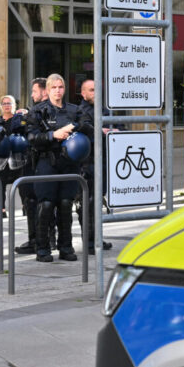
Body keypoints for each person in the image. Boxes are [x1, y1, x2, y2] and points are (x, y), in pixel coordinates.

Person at [26, 73, 93, 262]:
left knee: (65, 204)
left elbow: (88, 128)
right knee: (46, 205)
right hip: (47, 162)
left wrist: (73, 128)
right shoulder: (38, 111)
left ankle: (66, 247)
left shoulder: (74, 110)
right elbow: (31, 138)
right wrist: (53, 135)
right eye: (53, 87)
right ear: (47, 90)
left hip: (69, 164)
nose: (57, 91)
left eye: (60, 87)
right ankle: (43, 248)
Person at [77, 79, 118, 254]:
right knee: (87, 203)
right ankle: (88, 242)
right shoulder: (80, 112)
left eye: (97, 89)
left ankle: (97, 238)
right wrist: (100, 133)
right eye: (91, 90)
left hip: (103, 162)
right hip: (88, 163)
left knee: (98, 201)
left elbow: (118, 126)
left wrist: (116, 131)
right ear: (83, 93)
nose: (95, 93)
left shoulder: (104, 110)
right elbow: (84, 135)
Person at [16, 77, 48, 255]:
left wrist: (23, 117)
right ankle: (46, 240)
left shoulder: (35, 112)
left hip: (34, 161)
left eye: (34, 91)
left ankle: (36, 240)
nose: (32, 95)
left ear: (44, 92)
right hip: (40, 162)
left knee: (32, 200)